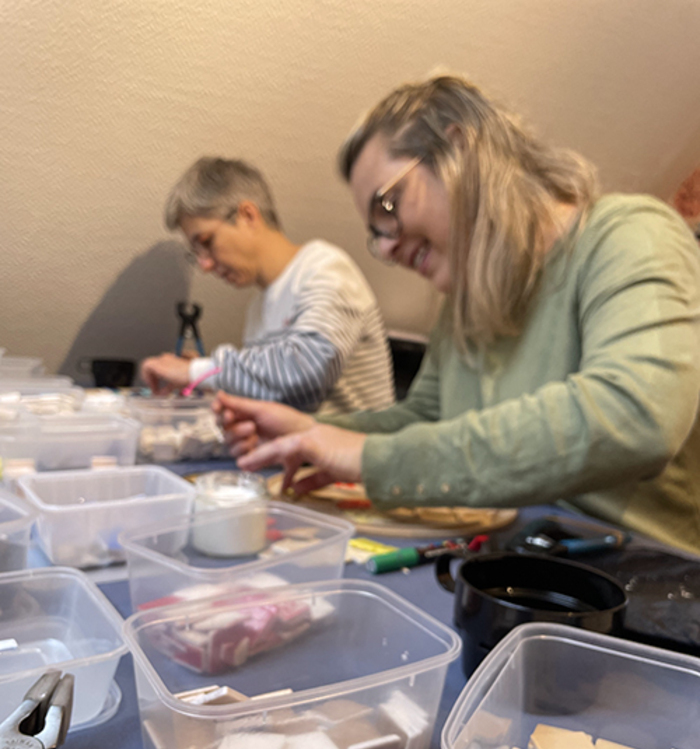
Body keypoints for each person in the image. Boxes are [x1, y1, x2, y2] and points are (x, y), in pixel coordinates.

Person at [214, 74, 700, 554]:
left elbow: (638, 418)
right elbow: (428, 419)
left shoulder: (630, 235)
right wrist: (315, 434)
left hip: (638, 589)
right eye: (375, 232)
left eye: (388, 205)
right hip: (513, 562)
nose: (386, 247)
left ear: (460, 151)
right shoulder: (465, 298)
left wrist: (366, 456)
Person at [139, 157, 395, 416]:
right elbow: (276, 395)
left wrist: (198, 371)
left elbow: (304, 371)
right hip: (301, 452)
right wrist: (211, 380)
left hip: (351, 453)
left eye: (206, 241)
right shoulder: (258, 309)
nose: (204, 265)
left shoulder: (325, 268)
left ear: (248, 216)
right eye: (196, 253)